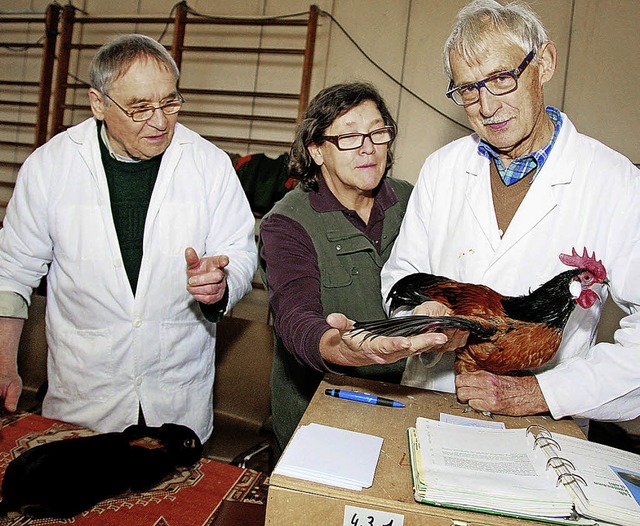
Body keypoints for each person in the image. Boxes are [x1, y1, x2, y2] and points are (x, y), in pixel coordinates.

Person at [380, 0, 640, 422]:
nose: (485, 106)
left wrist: (541, 393)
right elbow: (402, 274)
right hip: (432, 399)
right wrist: (421, 322)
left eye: (501, 78)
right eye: (468, 89)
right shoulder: (442, 168)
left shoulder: (616, 182)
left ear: (545, 63)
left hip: (544, 423)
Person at [0, 34, 257, 443]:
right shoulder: (50, 167)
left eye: (170, 102)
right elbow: (12, 273)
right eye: (139, 108)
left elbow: (240, 252)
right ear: (98, 103)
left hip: (178, 399)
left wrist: (222, 283)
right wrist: (4, 365)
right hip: (82, 397)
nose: (159, 121)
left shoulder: (209, 165)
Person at [259, 82, 456, 454]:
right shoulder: (287, 223)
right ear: (316, 150)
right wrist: (347, 350)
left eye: (377, 132)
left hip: (411, 405)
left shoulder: (410, 200)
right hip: (324, 415)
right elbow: (294, 316)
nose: (368, 148)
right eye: (348, 137)